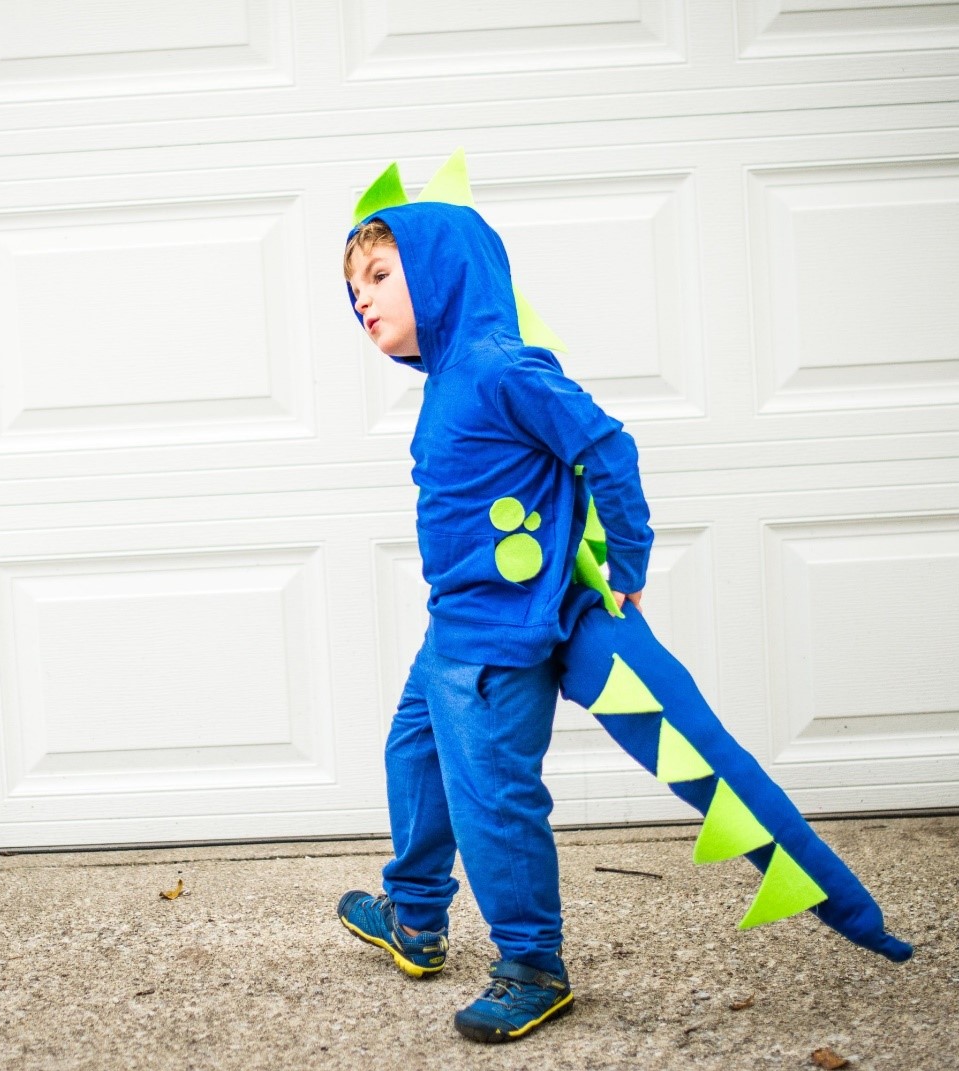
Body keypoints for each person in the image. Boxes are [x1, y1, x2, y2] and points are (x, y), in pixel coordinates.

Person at [337, 201, 911, 1045]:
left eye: (380, 276)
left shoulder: (501, 368)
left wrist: (628, 567)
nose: (362, 299)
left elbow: (605, 447)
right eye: (353, 289)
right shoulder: (451, 378)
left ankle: (532, 967)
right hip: (454, 623)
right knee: (413, 751)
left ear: (441, 272)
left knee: (492, 800)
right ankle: (415, 917)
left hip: (496, 641)